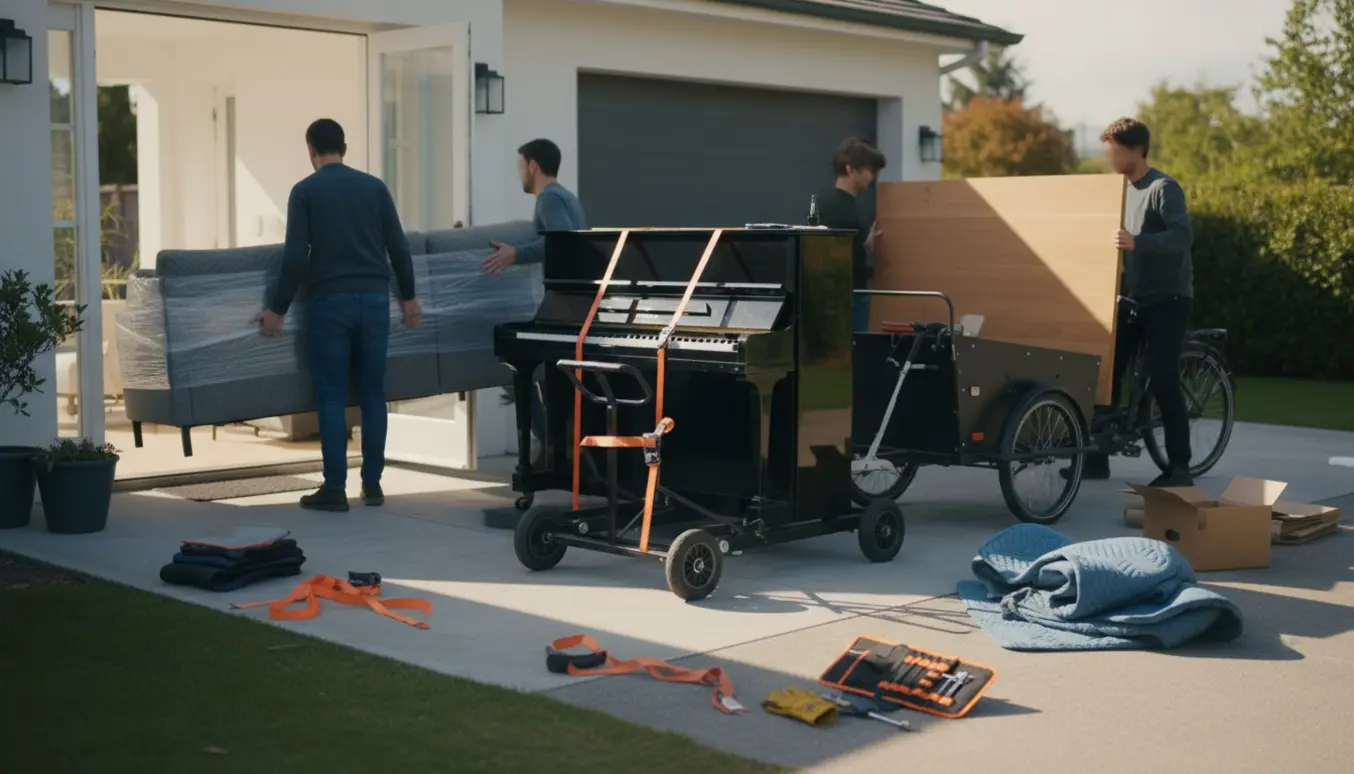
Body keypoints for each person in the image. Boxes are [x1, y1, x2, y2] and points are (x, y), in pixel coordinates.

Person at [255, 118, 422, 512]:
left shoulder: (305, 191)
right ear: (343, 147)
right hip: (375, 301)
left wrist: (276, 309)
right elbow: (398, 248)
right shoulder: (375, 188)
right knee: (373, 393)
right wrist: (409, 298)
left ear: (311, 150)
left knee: (330, 394)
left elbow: (296, 258)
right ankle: (374, 484)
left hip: (330, 303)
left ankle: (334, 489)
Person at [1085, 117, 1196, 487]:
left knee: (1162, 377)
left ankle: (1179, 467)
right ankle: (1097, 458)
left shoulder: (1163, 187)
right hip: (1132, 296)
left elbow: (1182, 236)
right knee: (1105, 372)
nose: (1110, 160)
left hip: (1169, 297)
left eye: (1115, 152)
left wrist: (1138, 242)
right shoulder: (1117, 190)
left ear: (1136, 151)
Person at [481, 139, 588, 457]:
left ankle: (551, 446)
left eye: (520, 167)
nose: (519, 175)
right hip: (573, 302)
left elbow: (561, 242)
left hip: (565, 305)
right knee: (546, 376)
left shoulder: (549, 200)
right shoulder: (566, 196)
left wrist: (516, 254)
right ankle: (557, 446)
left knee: (519, 369)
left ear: (533, 166)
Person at [814, 137, 886, 332]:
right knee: (855, 351)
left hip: (824, 296)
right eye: (870, 170)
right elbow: (843, 256)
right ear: (850, 169)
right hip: (848, 296)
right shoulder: (845, 208)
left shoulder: (822, 202)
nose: (872, 177)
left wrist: (867, 243)